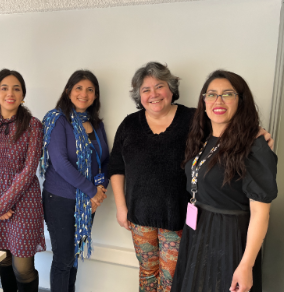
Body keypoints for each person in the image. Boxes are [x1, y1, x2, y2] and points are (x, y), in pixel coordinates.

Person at [108, 62, 274, 292]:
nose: (153, 94)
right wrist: (121, 207)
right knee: (147, 273)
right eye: (146, 89)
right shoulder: (129, 124)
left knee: (173, 278)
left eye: (159, 86)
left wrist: (258, 133)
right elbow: (116, 165)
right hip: (141, 216)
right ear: (138, 95)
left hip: (179, 217)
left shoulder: (194, 119)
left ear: (171, 89)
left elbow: (229, 130)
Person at [171, 70, 277, 292]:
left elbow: (260, 213)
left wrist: (246, 265)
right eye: (211, 94)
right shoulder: (202, 138)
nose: (218, 100)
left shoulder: (255, 145)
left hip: (229, 237)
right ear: (204, 100)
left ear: (241, 100)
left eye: (227, 94)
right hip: (197, 231)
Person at [0, 69, 45, 292]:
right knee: (2, 260)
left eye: (16, 88)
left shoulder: (33, 125)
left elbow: (29, 168)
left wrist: (4, 203)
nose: (10, 93)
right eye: (4, 88)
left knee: (22, 268)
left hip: (24, 202)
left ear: (23, 95)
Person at [40, 70, 109, 292]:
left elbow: (106, 159)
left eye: (90, 90)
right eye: (79, 88)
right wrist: (92, 191)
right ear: (68, 91)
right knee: (63, 259)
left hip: (89, 201)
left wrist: (100, 188)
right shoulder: (57, 119)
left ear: (95, 95)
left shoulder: (96, 123)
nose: (84, 94)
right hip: (60, 198)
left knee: (74, 258)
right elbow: (59, 163)